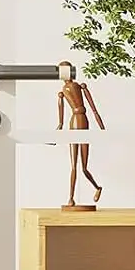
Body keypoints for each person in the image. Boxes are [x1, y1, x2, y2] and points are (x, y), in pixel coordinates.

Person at [57, 62, 104, 207]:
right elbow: (61, 118)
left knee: (83, 167)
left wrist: (102, 127)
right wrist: (59, 127)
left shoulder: (78, 86)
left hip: (82, 120)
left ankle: (97, 187)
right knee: (73, 166)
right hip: (74, 122)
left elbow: (93, 108)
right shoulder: (62, 91)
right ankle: (71, 198)